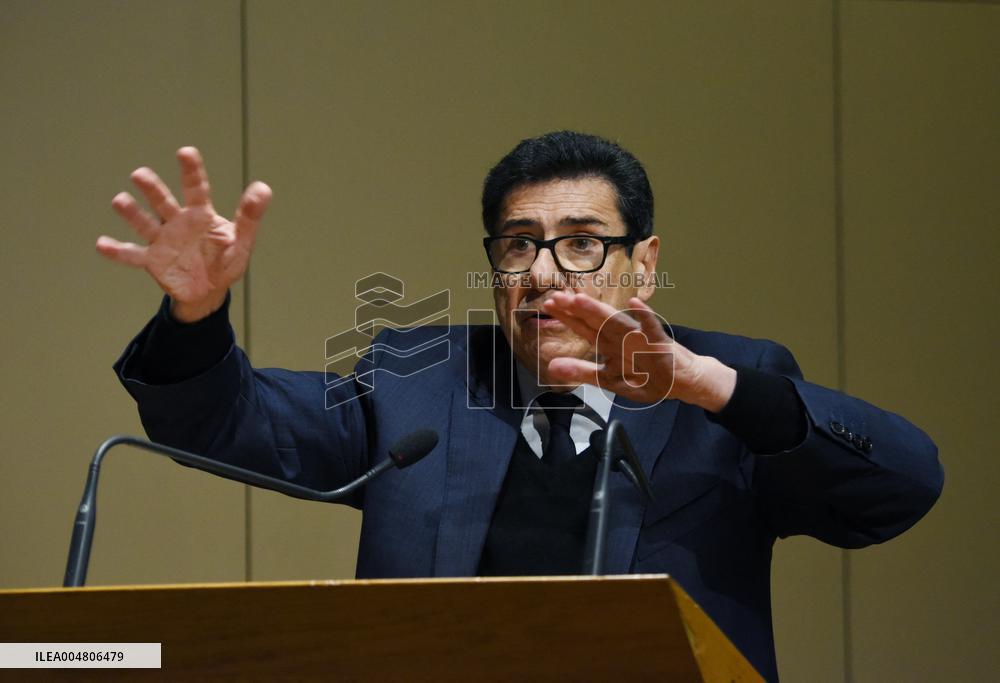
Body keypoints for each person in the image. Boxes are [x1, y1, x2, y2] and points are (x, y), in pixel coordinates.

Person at [97, 131, 943, 681]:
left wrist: (705, 384)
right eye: (518, 245)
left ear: (643, 265)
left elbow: (901, 485)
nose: (543, 273)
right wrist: (195, 315)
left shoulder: (727, 387)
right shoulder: (417, 377)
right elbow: (229, 421)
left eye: (581, 243)